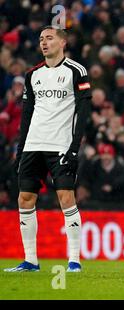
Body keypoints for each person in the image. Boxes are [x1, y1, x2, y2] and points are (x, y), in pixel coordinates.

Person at [4, 26, 92, 272]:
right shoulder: (32, 75)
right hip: (34, 144)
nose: (44, 43)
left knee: (65, 197)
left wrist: (75, 147)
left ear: (62, 42)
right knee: (25, 198)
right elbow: (27, 115)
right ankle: (31, 260)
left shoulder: (76, 71)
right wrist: (20, 151)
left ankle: (74, 260)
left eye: (49, 38)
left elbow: (84, 110)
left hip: (61, 145)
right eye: (41, 39)